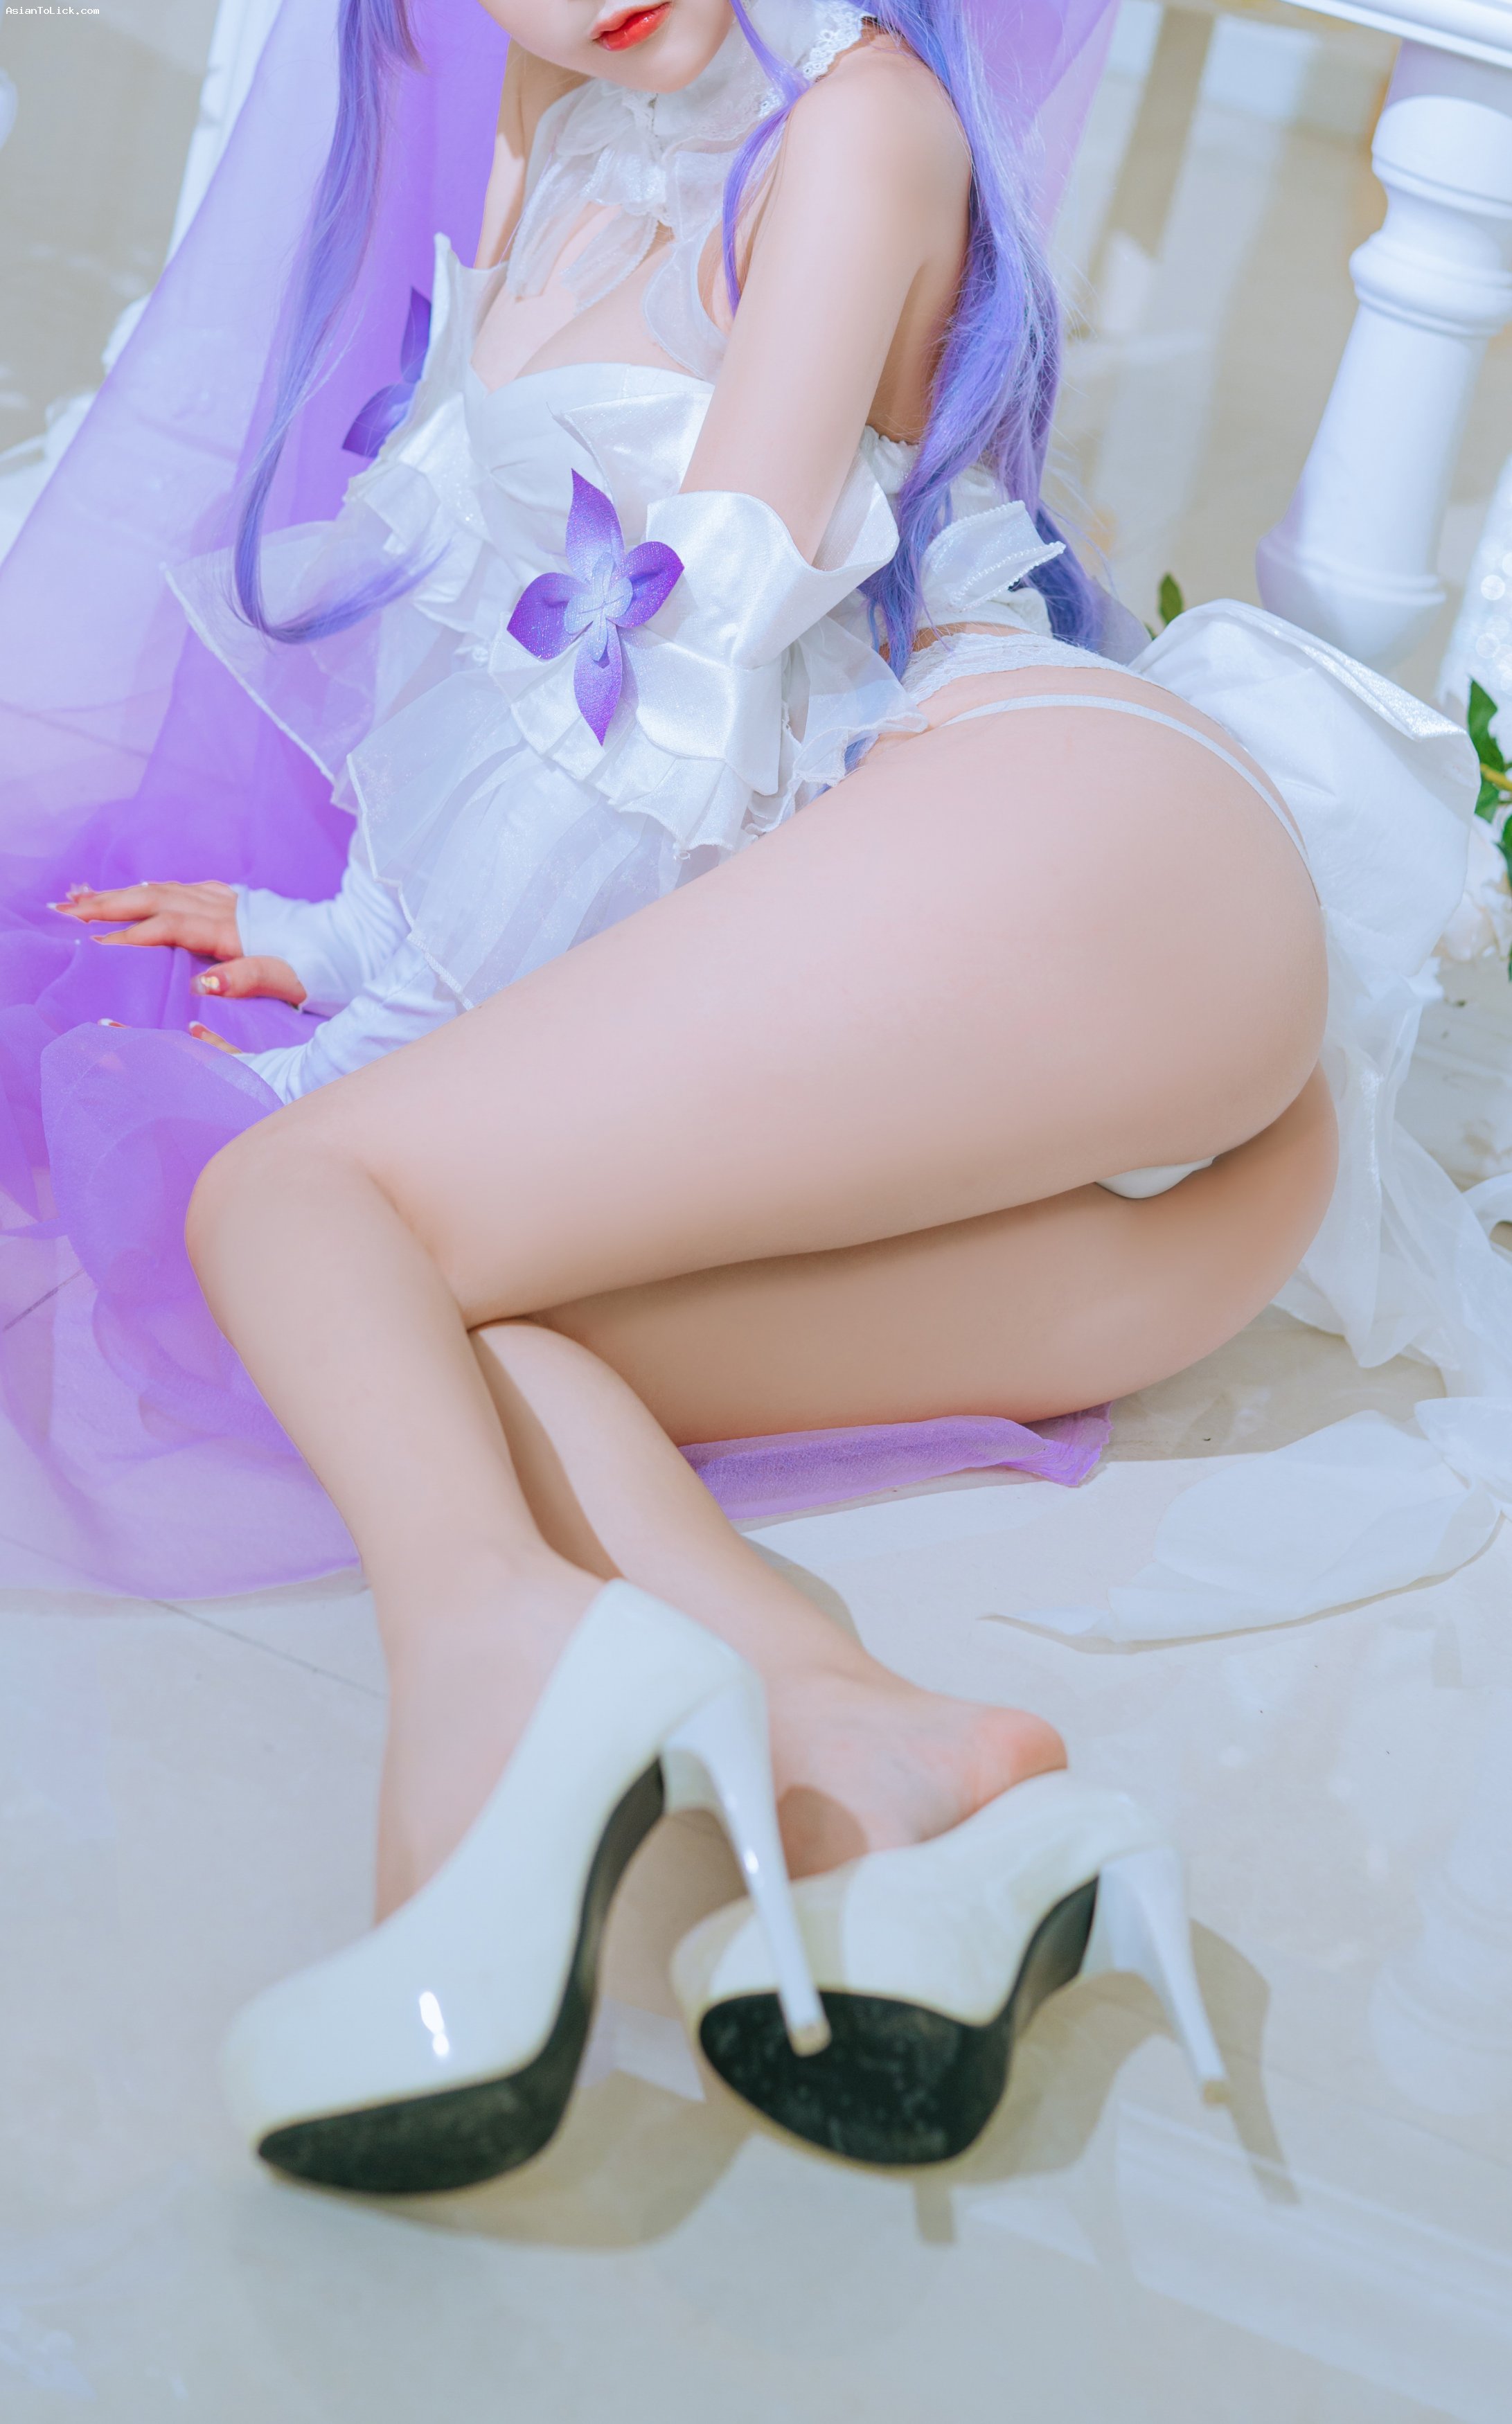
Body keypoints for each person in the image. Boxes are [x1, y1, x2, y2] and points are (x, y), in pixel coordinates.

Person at [0, 0, 1499, 2179]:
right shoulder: (562, 143)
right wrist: (339, 935)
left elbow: (672, 747)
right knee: (473, 1336)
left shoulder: (858, 128)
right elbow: (527, 679)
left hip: (1093, 842)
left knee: (287, 1202)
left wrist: (378, 1056)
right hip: (1142, 1178)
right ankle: (887, 1757)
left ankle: (492, 1676)